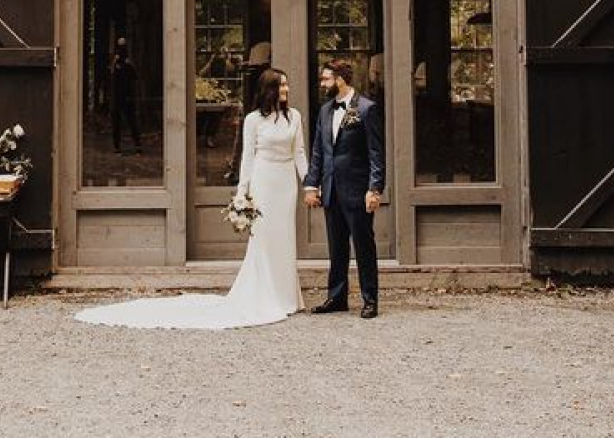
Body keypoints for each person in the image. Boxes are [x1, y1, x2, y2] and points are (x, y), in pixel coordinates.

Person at [76, 68, 307, 330]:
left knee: (285, 236)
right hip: (264, 181)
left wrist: (309, 183)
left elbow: (299, 152)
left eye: (287, 85)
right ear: (269, 90)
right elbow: (248, 158)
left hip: (286, 184)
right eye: (282, 86)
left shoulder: (294, 117)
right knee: (264, 239)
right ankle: (266, 295)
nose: (287, 90)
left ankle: (287, 296)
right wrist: (243, 192)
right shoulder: (254, 120)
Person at [304, 59, 385, 319]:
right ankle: (336, 297)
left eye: (326, 79)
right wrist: (311, 184)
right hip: (330, 189)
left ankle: (370, 299)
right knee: (336, 247)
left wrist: (375, 188)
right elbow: (318, 150)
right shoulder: (326, 110)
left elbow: (376, 153)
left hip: (357, 189)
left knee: (363, 246)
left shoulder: (366, 108)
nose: (322, 83)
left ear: (339, 79)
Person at [109, 37, 140, 151]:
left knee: (132, 120)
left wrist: (130, 64)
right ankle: (116, 145)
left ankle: (137, 144)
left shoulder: (128, 64)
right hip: (117, 97)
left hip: (127, 96)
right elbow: (112, 75)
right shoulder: (115, 63)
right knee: (116, 122)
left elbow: (135, 77)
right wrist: (114, 62)